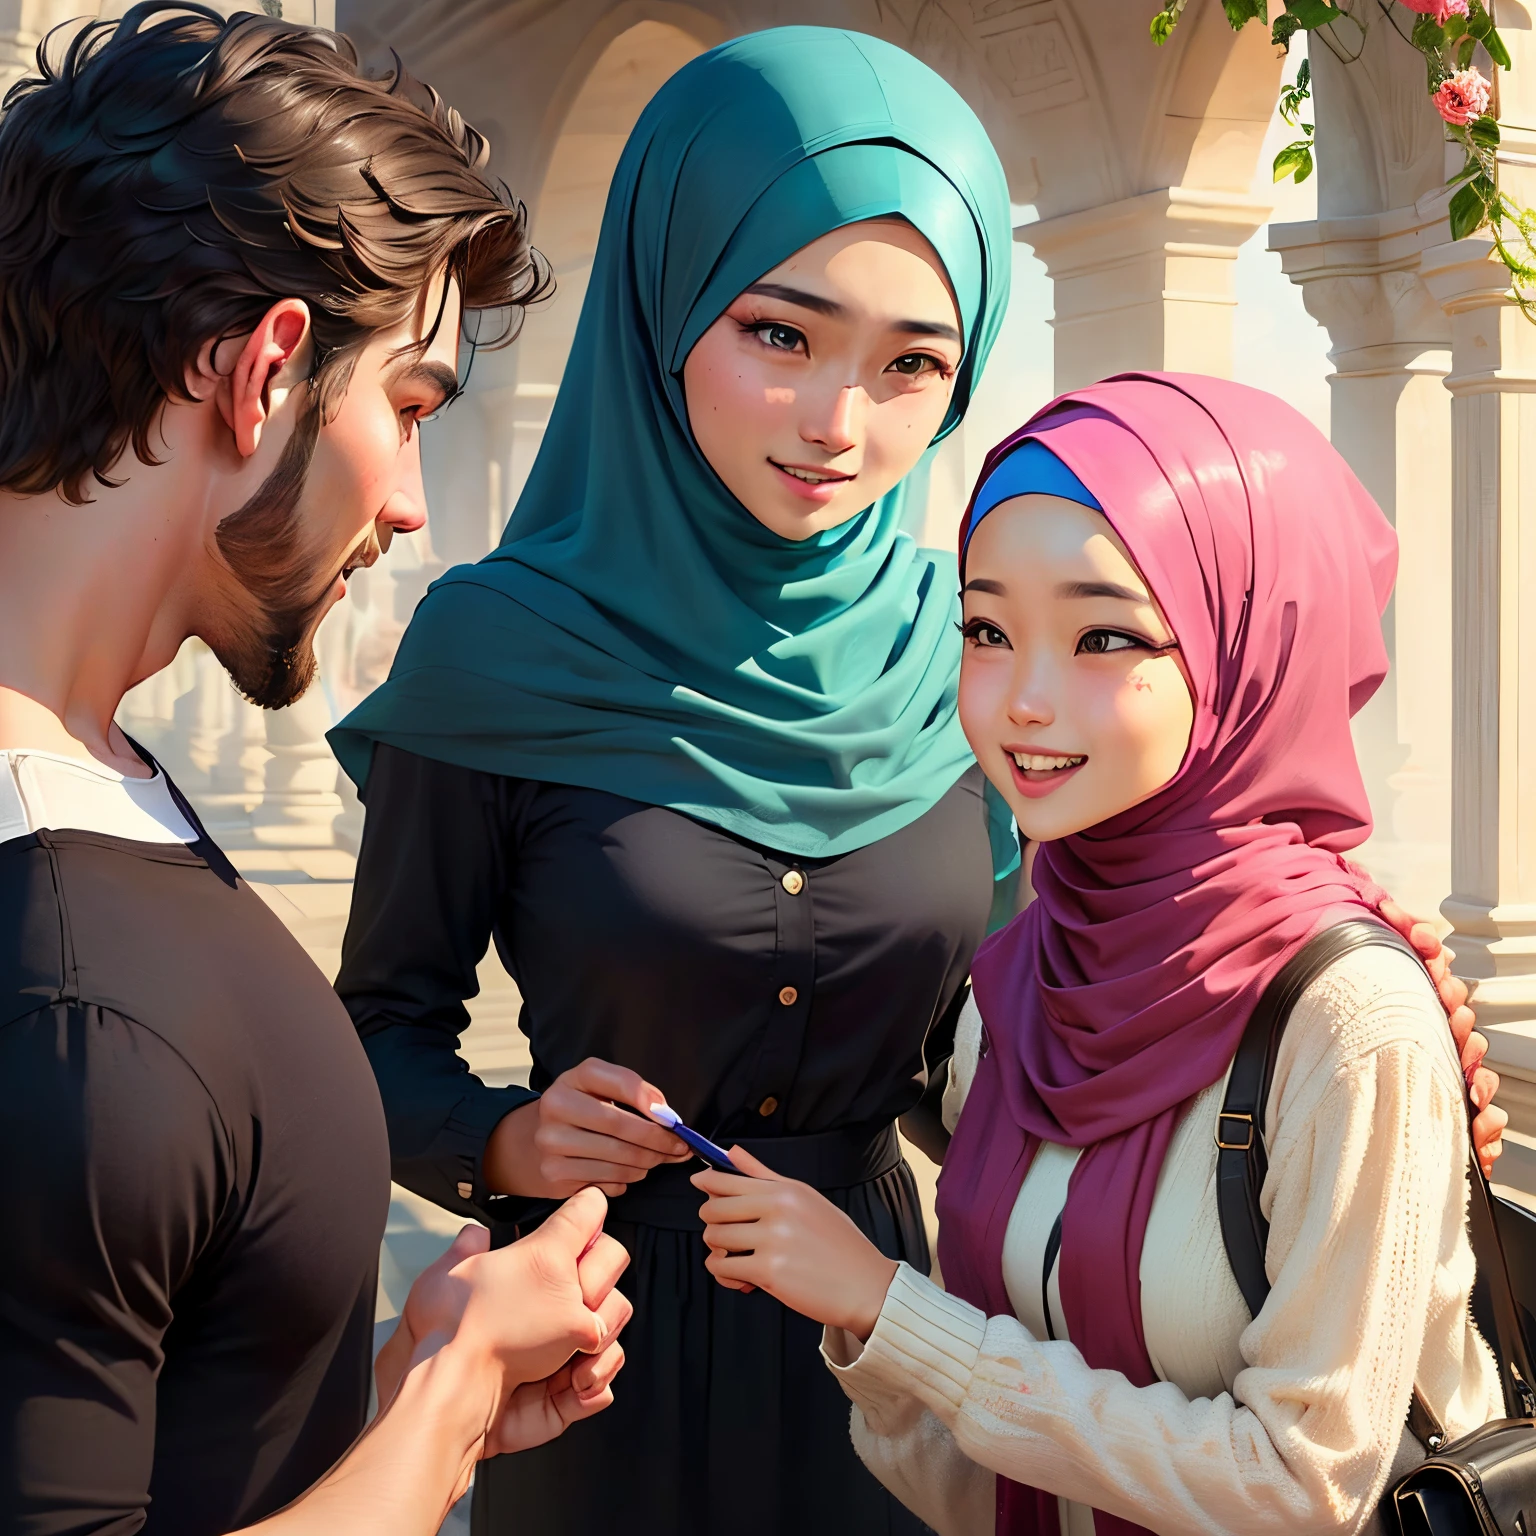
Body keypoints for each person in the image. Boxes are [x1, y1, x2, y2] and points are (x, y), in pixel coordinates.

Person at [328, 28, 1499, 1535]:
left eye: (912, 365)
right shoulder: (502, 647)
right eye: (780, 335)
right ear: (664, 301)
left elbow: (1043, 1005)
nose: (838, 424)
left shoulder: (969, 649)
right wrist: (500, 1139)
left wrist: (1329, 981)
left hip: (903, 1357)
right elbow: (377, 1032)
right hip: (595, 1345)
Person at [0, 8, 630, 1533]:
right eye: (406, 410)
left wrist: (411, 1398)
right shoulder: (64, 986)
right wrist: (449, 1400)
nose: (412, 504)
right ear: (266, 372)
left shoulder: (101, 782)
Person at [692, 374, 1506, 1535]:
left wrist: (897, 1309)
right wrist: (878, 1332)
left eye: (1103, 636)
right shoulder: (1022, 984)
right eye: (986, 629)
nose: (1023, 699)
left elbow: (1305, 1485)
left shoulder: (1347, 1017)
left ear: (1246, 653)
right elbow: (982, 1484)